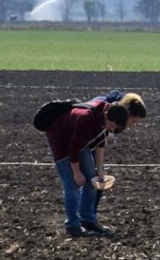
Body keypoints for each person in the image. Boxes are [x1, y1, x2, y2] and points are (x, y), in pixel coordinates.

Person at [43, 99, 130, 237]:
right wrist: (77, 173)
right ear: (106, 115)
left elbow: (100, 141)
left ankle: (87, 219)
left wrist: (100, 167)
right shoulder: (86, 118)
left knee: (93, 179)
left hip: (79, 140)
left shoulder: (107, 120)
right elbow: (73, 149)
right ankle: (72, 225)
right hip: (61, 139)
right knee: (71, 184)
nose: (112, 129)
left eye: (115, 128)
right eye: (111, 125)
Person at [87, 91, 147, 211]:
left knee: (98, 179)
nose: (133, 125)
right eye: (133, 121)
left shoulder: (119, 114)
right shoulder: (109, 112)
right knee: (92, 180)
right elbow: (99, 141)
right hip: (84, 144)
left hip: (93, 145)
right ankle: (86, 216)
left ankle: (89, 215)